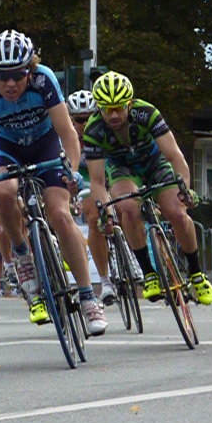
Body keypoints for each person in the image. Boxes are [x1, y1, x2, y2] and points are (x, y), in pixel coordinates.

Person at [0, 30, 107, 335]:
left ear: (30, 70)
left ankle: (87, 298)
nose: (10, 84)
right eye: (2, 76)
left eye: (17, 75)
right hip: (6, 148)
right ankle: (22, 255)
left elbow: (69, 134)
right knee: (3, 191)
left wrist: (72, 172)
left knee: (59, 214)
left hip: (46, 144)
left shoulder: (44, 80)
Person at [84, 71, 212, 305]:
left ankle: (196, 273)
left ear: (130, 104)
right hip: (123, 170)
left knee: (176, 211)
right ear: (99, 108)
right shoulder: (94, 130)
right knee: (126, 206)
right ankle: (149, 273)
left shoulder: (147, 113)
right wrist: (107, 211)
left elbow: (175, 156)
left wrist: (185, 189)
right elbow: (96, 181)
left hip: (155, 163)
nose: (113, 114)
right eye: (107, 109)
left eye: (119, 108)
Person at [65, 89, 116, 306]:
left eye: (89, 118)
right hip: (85, 175)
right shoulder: (66, 136)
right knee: (94, 216)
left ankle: (128, 250)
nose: (84, 124)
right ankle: (105, 282)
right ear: (70, 119)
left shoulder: (105, 130)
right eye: (79, 120)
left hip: (109, 169)